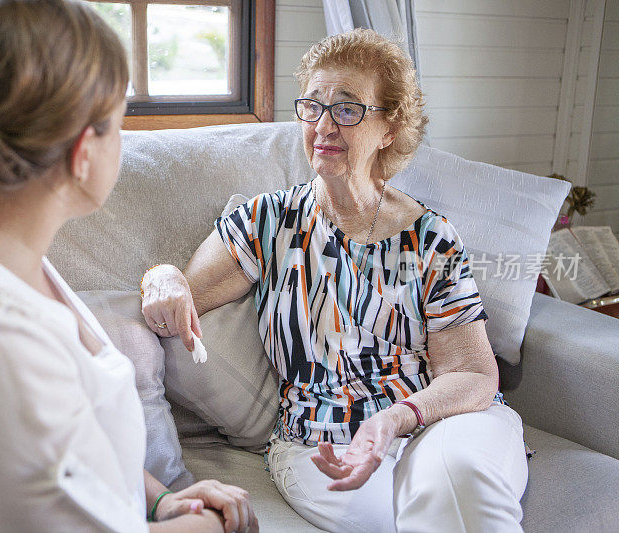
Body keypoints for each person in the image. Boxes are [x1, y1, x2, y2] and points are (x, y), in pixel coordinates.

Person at [0, 1, 257, 531]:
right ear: (84, 152)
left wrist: (157, 501)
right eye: (118, 126)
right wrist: (216, 525)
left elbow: (67, 448)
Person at [141, 29, 528, 532]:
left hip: (435, 423)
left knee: (459, 483)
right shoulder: (268, 223)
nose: (323, 125)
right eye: (313, 106)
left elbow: (473, 374)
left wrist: (396, 418)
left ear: (389, 127)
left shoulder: (430, 237)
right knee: (404, 517)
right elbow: (183, 293)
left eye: (347, 109)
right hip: (320, 444)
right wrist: (161, 274)